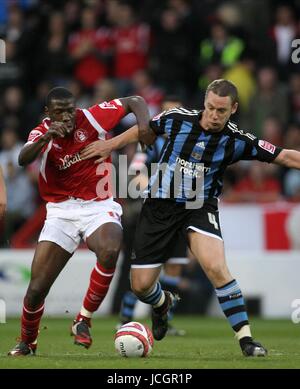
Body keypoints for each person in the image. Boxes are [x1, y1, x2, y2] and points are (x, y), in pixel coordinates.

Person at [80, 79, 300, 357]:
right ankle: (162, 303)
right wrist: (109, 145)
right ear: (204, 103)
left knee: (216, 268)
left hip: (199, 205)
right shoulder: (176, 118)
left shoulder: (237, 140)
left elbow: (284, 156)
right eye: (210, 108)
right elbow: (142, 129)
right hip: (158, 207)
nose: (214, 115)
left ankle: (246, 340)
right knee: (141, 286)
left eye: (221, 110)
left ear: (233, 108)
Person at [8, 86, 150, 356]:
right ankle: (27, 342)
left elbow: (135, 101)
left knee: (110, 249)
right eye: (60, 112)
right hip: (61, 210)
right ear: (48, 113)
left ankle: (83, 319)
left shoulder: (93, 118)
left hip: (98, 204)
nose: (67, 117)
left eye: (70, 110)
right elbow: (22, 158)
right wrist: (47, 136)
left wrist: (143, 128)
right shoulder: (42, 132)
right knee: (37, 289)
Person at [117, 96, 190, 336]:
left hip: (180, 213)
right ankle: (125, 319)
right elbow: (135, 172)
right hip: (155, 212)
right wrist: (157, 187)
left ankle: (164, 320)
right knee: (147, 270)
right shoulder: (149, 144)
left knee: (175, 269)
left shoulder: (191, 144)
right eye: (168, 114)